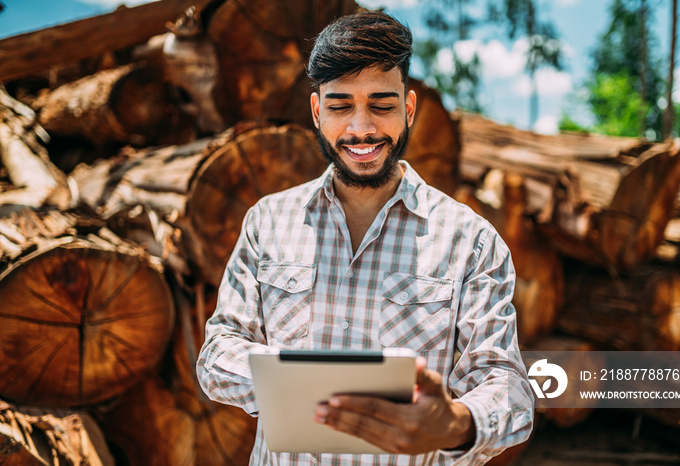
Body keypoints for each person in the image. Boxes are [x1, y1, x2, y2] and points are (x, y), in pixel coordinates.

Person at [197, 10, 534, 466]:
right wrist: (295, 383)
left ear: (408, 108)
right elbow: (218, 351)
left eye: (381, 104)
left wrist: (455, 423)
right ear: (317, 112)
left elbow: (508, 385)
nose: (362, 129)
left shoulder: (472, 240)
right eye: (340, 106)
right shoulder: (267, 223)